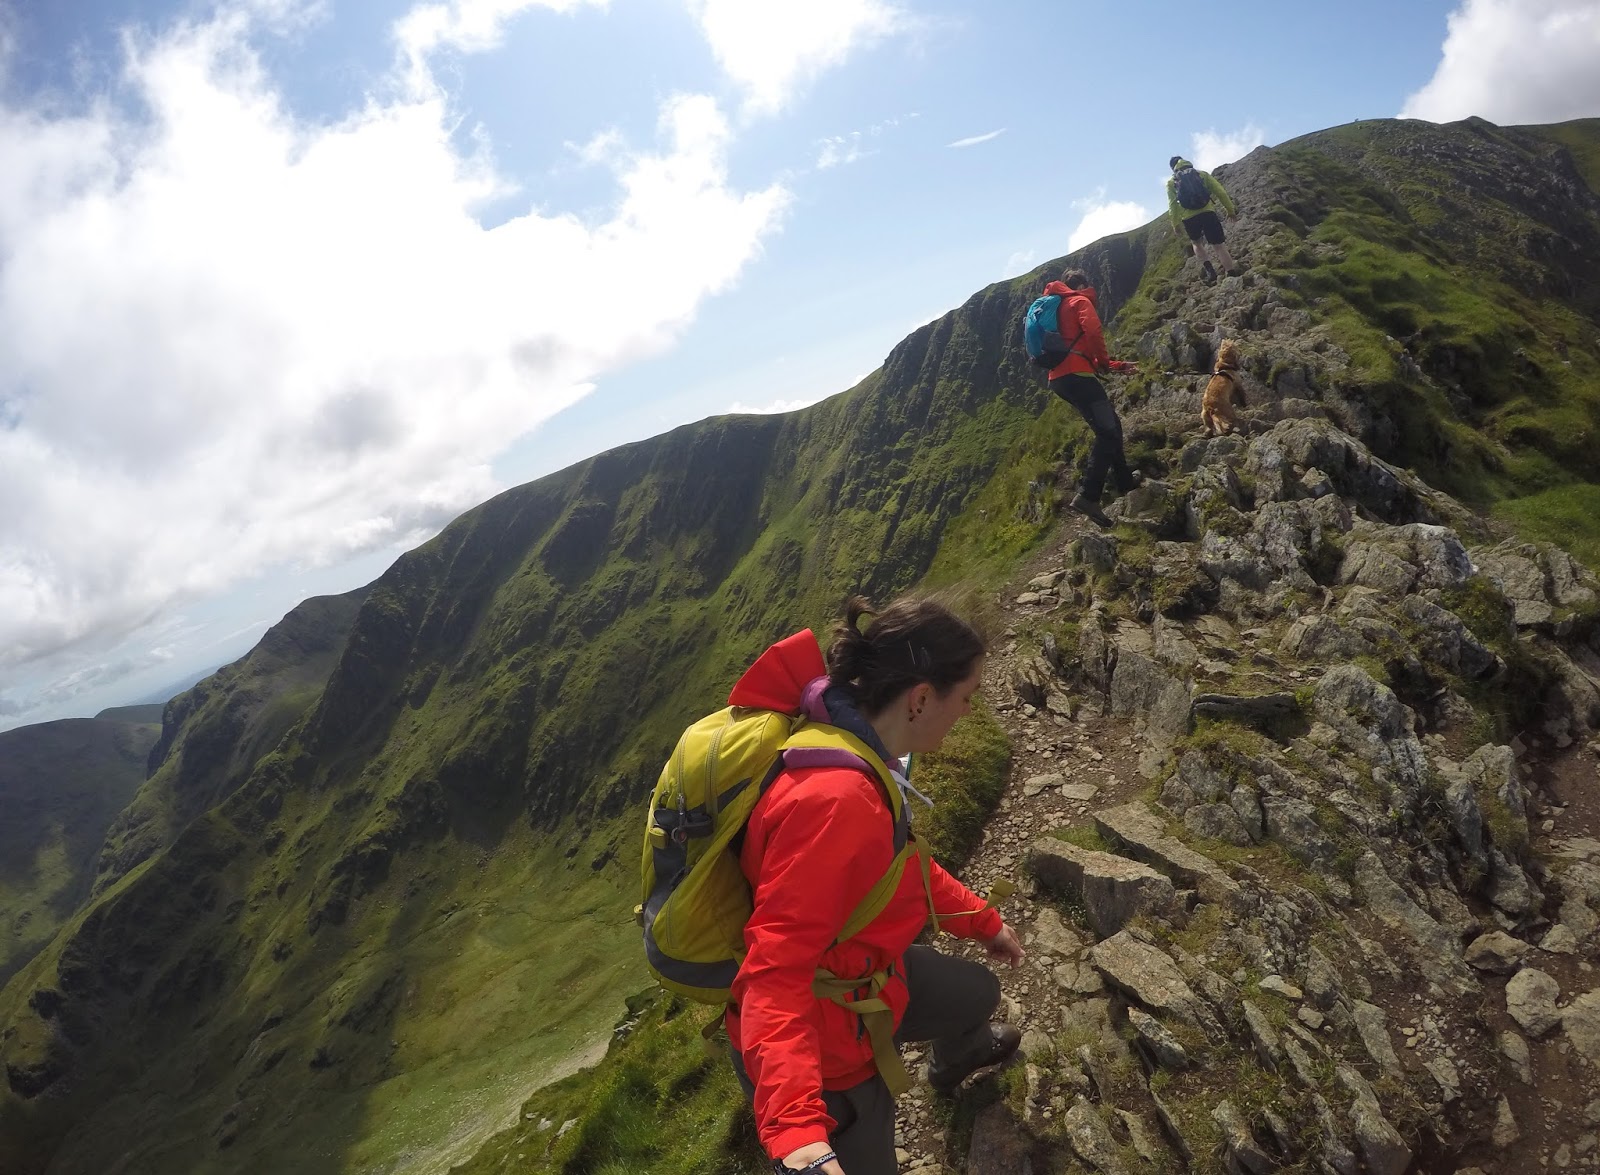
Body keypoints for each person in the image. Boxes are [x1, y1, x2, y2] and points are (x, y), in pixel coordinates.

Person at [726, 596, 1026, 1175]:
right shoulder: (837, 802)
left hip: (864, 977)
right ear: (920, 698)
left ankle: (955, 1058)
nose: (967, 712)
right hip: (826, 1042)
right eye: (964, 698)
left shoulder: (855, 751)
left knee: (977, 992)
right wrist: (796, 1132)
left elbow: (899, 866)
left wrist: (983, 921)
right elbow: (774, 969)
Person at [1042, 269, 1140, 529]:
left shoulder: (1058, 307)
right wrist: (1107, 363)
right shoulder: (1080, 301)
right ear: (1084, 284)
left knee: (1111, 425)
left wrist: (1117, 366)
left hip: (1059, 379)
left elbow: (1079, 350)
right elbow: (1093, 335)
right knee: (1107, 433)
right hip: (1078, 377)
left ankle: (1125, 482)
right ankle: (1088, 496)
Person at [1167, 156, 1239, 283]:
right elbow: (1220, 192)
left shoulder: (1172, 182)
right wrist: (1230, 210)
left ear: (1173, 168)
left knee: (1196, 243)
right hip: (1208, 212)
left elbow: (1172, 205)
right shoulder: (1202, 174)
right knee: (1218, 245)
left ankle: (1210, 271)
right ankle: (1231, 273)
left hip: (1189, 218)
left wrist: (1175, 224)